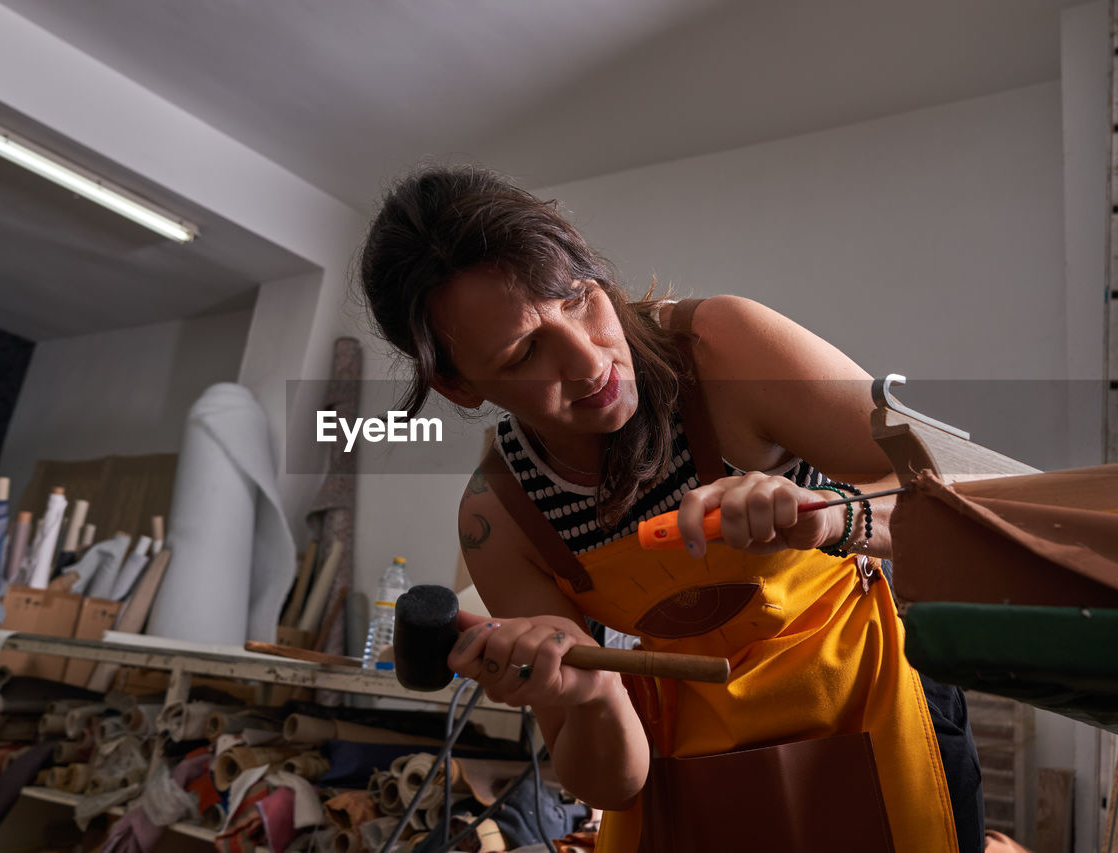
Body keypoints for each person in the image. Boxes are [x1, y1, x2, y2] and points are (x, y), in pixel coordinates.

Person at [358, 165, 983, 852]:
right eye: (524, 351)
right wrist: (589, 688)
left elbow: (970, 493)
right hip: (690, 752)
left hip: (872, 708)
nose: (589, 362)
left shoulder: (722, 349)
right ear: (457, 381)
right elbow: (611, 784)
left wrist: (831, 515)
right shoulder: (501, 517)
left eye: (577, 299)